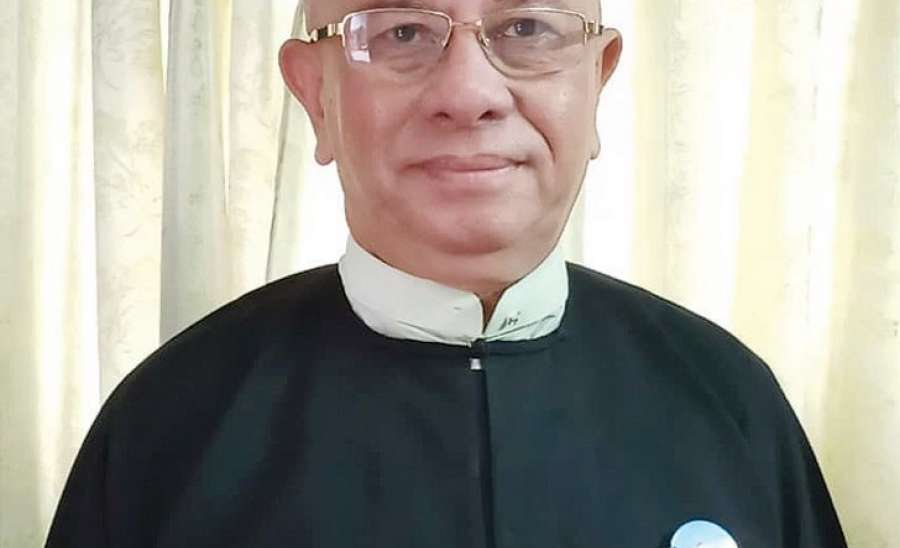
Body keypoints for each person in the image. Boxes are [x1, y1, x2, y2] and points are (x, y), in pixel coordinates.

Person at [46, 0, 848, 546]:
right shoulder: (167, 427)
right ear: (315, 95)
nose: (469, 94)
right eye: (400, 32)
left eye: (527, 27)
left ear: (597, 79)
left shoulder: (732, 403)